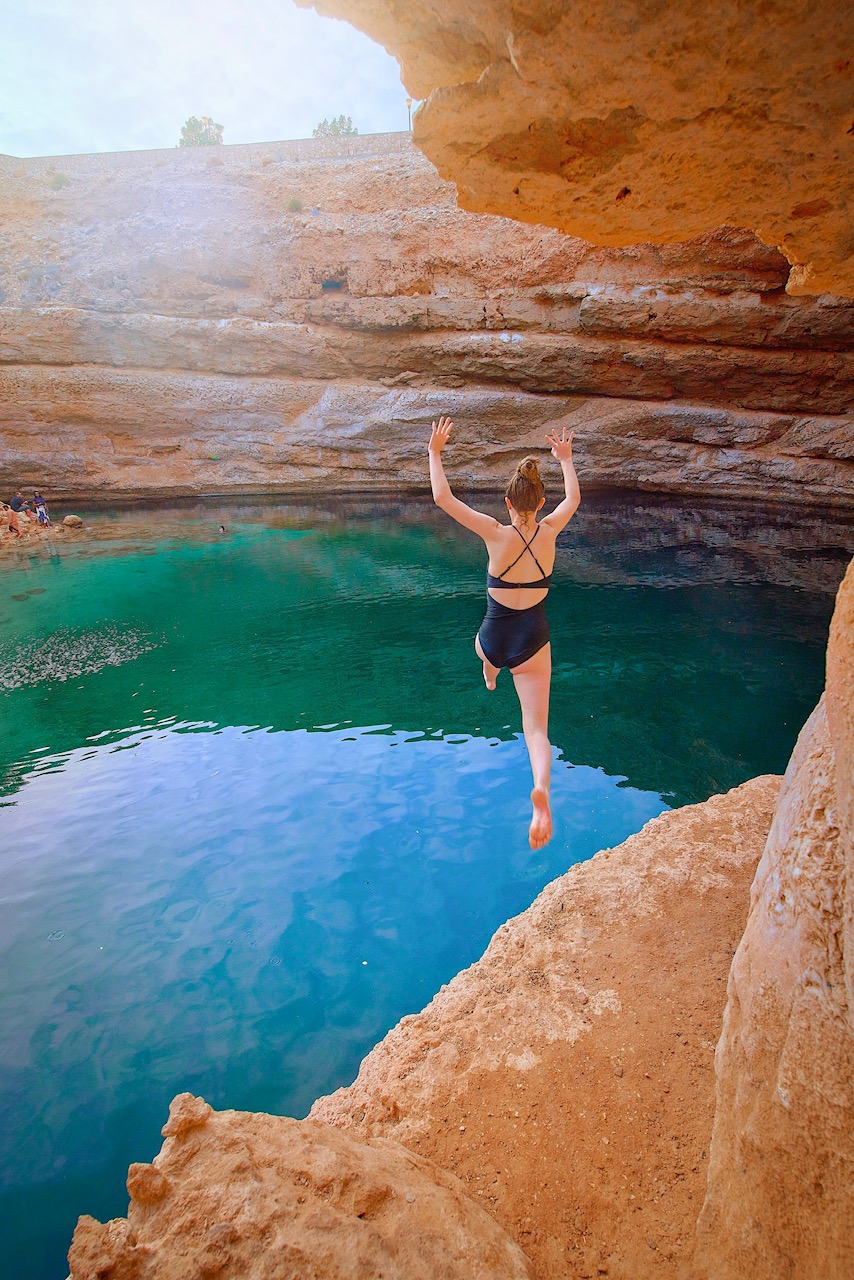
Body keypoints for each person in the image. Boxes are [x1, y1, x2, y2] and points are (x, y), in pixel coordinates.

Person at [428, 416, 580, 849]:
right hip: (534, 640)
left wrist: (436, 451)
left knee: (483, 652)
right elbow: (573, 498)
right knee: (536, 730)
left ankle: (491, 673)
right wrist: (565, 459)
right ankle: (542, 792)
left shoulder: (495, 533)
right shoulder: (550, 530)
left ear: (508, 504)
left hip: (494, 638)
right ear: (540, 501)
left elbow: (443, 497)